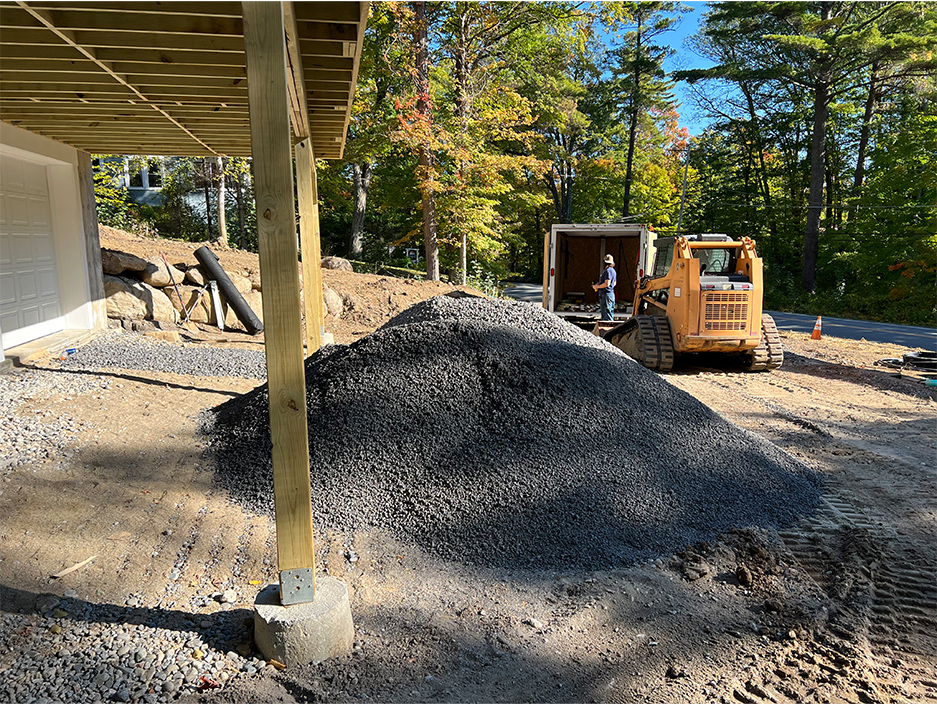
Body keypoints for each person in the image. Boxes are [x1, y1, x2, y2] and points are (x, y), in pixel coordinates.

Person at [592, 254, 617, 321]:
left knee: (606, 316)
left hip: (606, 295)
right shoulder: (613, 271)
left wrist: (597, 286)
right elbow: (614, 283)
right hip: (611, 294)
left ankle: (607, 330)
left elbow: (607, 283)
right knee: (610, 313)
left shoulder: (608, 271)